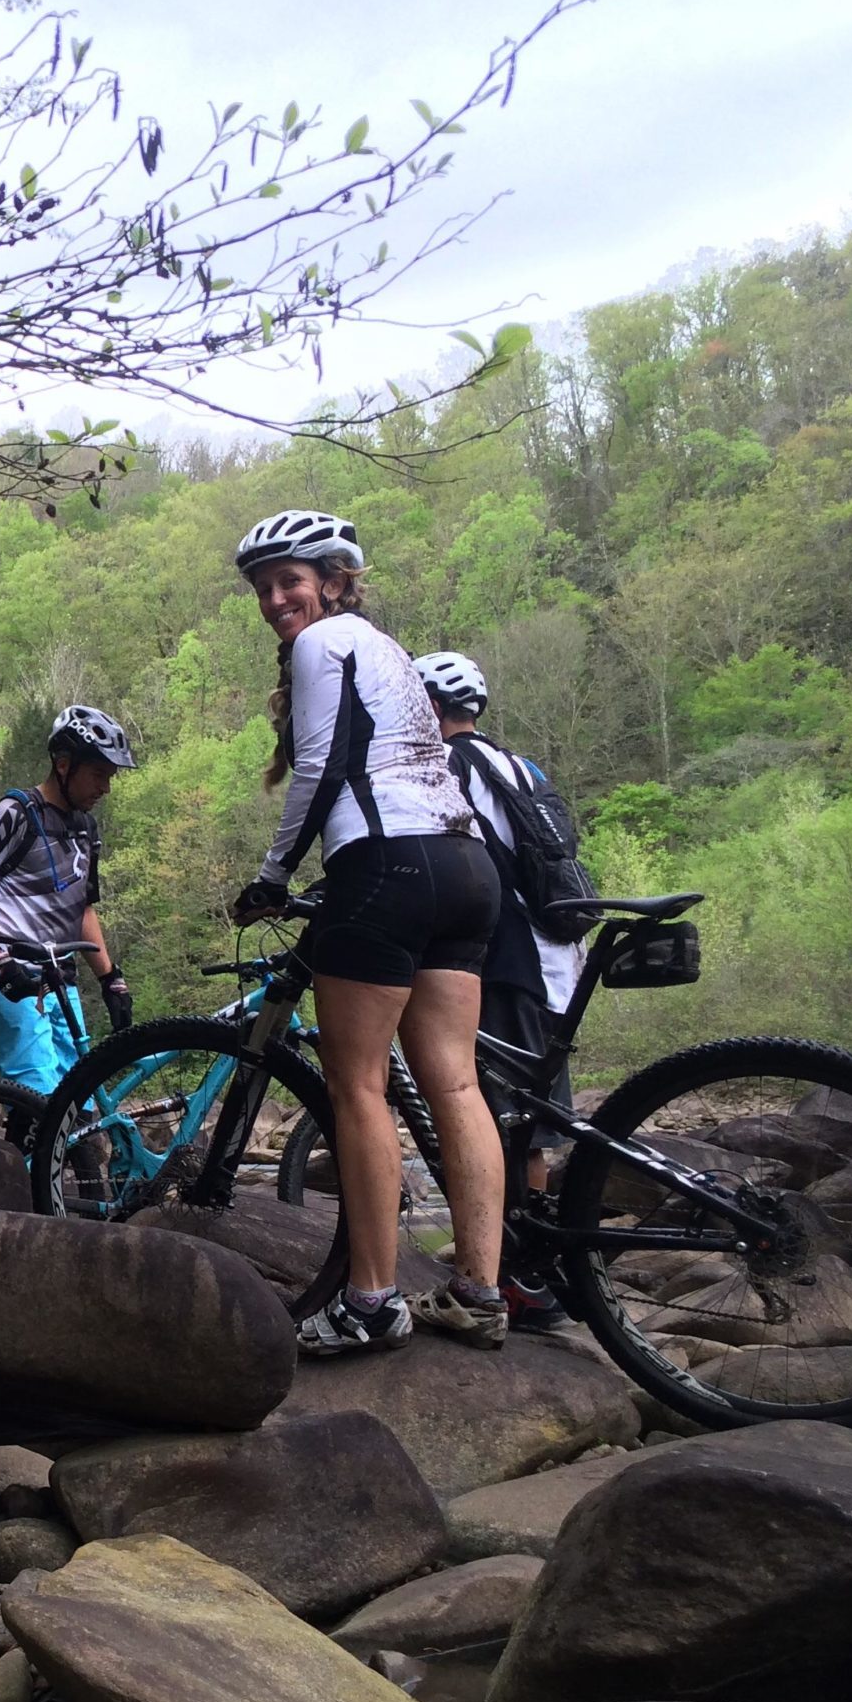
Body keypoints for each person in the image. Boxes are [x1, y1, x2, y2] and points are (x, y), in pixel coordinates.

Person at [225, 510, 509, 1354]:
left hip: (386, 864)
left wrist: (273, 874)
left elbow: (320, 765)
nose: (277, 599)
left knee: (358, 1088)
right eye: (264, 588)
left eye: (291, 581)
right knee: (456, 1086)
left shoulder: (324, 645)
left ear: (335, 579)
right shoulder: (383, 646)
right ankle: (480, 1292)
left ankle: (371, 1301)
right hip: (465, 868)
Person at [415, 649, 585, 1331]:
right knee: (534, 1121)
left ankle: (515, 1277)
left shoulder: (450, 769)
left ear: (430, 708)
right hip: (554, 957)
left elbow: (446, 863)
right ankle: (527, 1261)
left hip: (503, 956)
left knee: (496, 1113)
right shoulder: (524, 767)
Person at [0, 705, 138, 1094]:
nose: (105, 788)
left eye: (110, 777)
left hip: (59, 977)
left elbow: (82, 908)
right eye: (99, 774)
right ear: (64, 765)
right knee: (39, 1097)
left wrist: (110, 979)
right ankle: (25, 1151)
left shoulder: (85, 828)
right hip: (9, 971)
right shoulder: (14, 814)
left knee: (79, 1103)